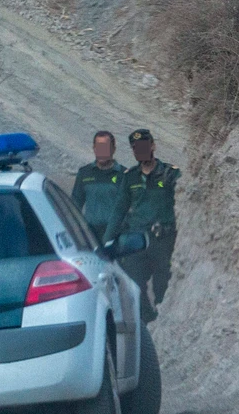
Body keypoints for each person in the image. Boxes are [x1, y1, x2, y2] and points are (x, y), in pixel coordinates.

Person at [121, 127, 180, 321]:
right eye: (136, 148)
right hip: (136, 240)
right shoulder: (129, 177)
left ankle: (165, 321)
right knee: (133, 284)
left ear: (153, 146)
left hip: (163, 239)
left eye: (144, 146)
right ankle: (147, 321)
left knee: (162, 285)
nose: (141, 151)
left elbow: (185, 204)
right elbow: (119, 210)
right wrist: (106, 241)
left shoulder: (170, 174)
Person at [70, 130, 130, 249]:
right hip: (91, 237)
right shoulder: (84, 173)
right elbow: (75, 205)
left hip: (116, 238)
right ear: (94, 149)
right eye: (99, 147)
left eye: (105, 147)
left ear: (113, 149)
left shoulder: (125, 175)